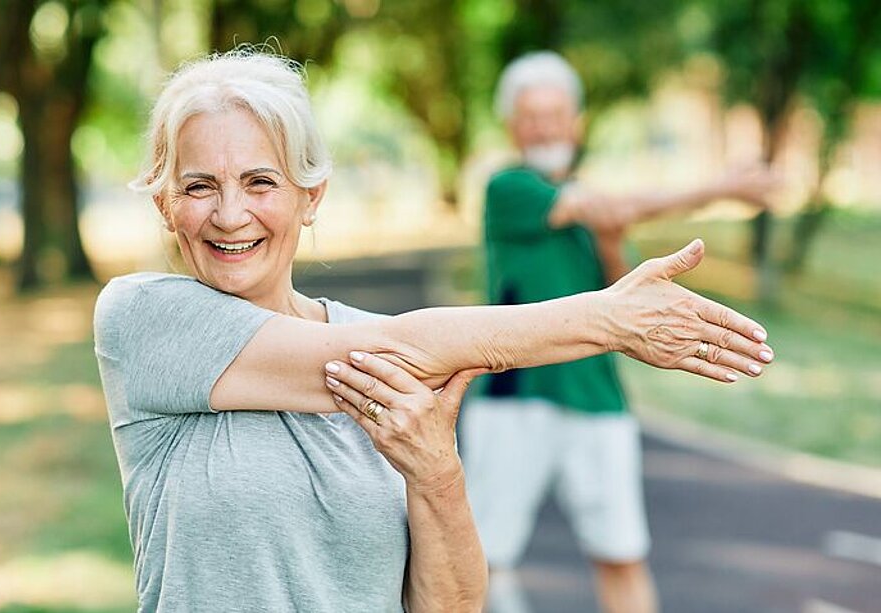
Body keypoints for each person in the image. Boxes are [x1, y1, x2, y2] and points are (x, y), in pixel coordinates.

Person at [92, 48, 774, 613]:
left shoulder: (391, 352)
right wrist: (606, 319)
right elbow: (394, 349)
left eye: (261, 181)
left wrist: (439, 474)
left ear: (311, 196)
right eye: (200, 186)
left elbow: (449, 608)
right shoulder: (143, 318)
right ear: (165, 204)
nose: (230, 213)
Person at [462, 51, 779, 613]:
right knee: (484, 557)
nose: (543, 127)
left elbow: (620, 284)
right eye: (530, 116)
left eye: (555, 115)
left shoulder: (597, 207)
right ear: (513, 125)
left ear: (576, 123)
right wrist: (718, 188)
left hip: (598, 399)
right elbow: (604, 206)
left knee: (621, 554)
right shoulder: (509, 188)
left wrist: (612, 234)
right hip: (516, 397)